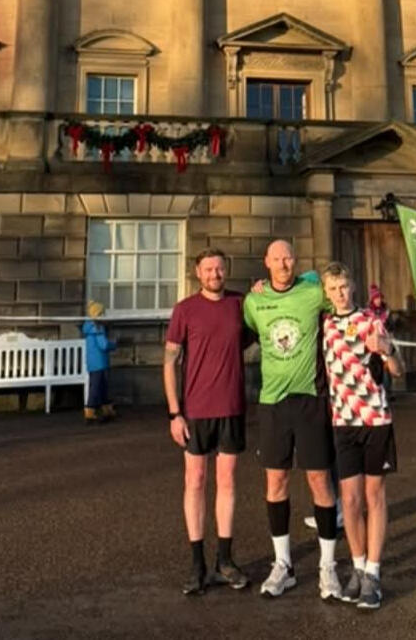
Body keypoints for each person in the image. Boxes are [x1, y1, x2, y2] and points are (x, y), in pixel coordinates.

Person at [243, 240, 341, 600]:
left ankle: (327, 566)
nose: (284, 264)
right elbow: (246, 325)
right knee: (276, 481)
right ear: (266, 262)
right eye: (277, 258)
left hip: (310, 400)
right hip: (272, 403)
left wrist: (315, 275)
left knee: (319, 480)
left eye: (289, 257)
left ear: (295, 261)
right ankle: (283, 565)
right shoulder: (253, 302)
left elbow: (339, 292)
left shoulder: (313, 292)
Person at [164, 248, 250, 595]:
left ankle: (225, 560)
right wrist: (174, 413)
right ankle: (197, 563)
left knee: (227, 482)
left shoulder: (240, 305)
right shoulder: (185, 310)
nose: (215, 273)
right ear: (197, 273)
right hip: (195, 412)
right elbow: (170, 361)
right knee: (195, 481)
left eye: (220, 267)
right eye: (209, 269)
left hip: (231, 408)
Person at [320, 262, 401, 610]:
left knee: (374, 496)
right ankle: (356, 566)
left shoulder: (372, 320)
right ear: (326, 292)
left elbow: (397, 369)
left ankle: (373, 573)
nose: (340, 293)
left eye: (344, 286)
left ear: (352, 287)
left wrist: (386, 349)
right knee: (349, 501)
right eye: (333, 288)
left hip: (375, 419)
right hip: (343, 421)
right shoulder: (324, 324)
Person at [81, 300, 117, 425]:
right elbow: (103, 345)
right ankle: (90, 410)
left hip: (92, 363)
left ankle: (105, 409)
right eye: (103, 313)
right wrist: (114, 344)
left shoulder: (88, 327)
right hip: (101, 362)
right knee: (98, 387)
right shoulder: (98, 328)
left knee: (99, 386)